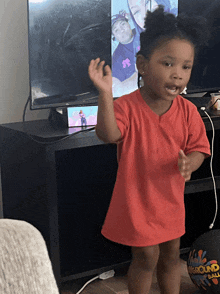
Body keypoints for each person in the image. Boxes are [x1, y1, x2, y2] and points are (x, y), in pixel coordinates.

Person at [88, 6, 211, 294]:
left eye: (185, 67)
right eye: (168, 64)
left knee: (171, 256)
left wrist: (190, 164)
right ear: (142, 65)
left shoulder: (188, 111)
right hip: (137, 201)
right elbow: (108, 134)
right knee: (146, 258)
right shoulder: (126, 107)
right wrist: (105, 94)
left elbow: (199, 148)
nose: (178, 75)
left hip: (170, 201)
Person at [111, 11, 140, 96]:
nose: (121, 30)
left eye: (123, 24)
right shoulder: (116, 58)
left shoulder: (143, 32)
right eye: (116, 30)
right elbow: (117, 90)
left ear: (129, 24)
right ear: (114, 36)